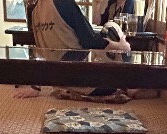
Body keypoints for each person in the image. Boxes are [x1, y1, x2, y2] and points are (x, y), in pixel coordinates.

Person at [15, 0, 155, 102]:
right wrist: (121, 46)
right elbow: (90, 41)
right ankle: (129, 85)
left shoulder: (35, 10)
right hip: (81, 79)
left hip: (58, 82)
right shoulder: (64, 3)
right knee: (112, 28)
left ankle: (127, 84)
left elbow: (41, 53)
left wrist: (35, 87)